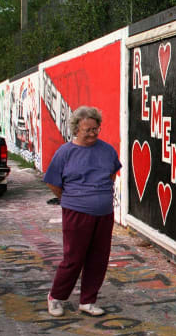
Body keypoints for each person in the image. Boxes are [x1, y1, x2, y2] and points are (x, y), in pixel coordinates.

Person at [43, 106, 121, 317]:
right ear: (76, 129)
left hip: (104, 213)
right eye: (88, 129)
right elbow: (53, 182)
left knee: (99, 257)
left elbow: (112, 174)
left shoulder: (107, 150)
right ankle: (56, 297)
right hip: (76, 212)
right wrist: (71, 199)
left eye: (96, 129)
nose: (93, 134)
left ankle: (88, 300)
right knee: (73, 258)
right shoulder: (65, 153)